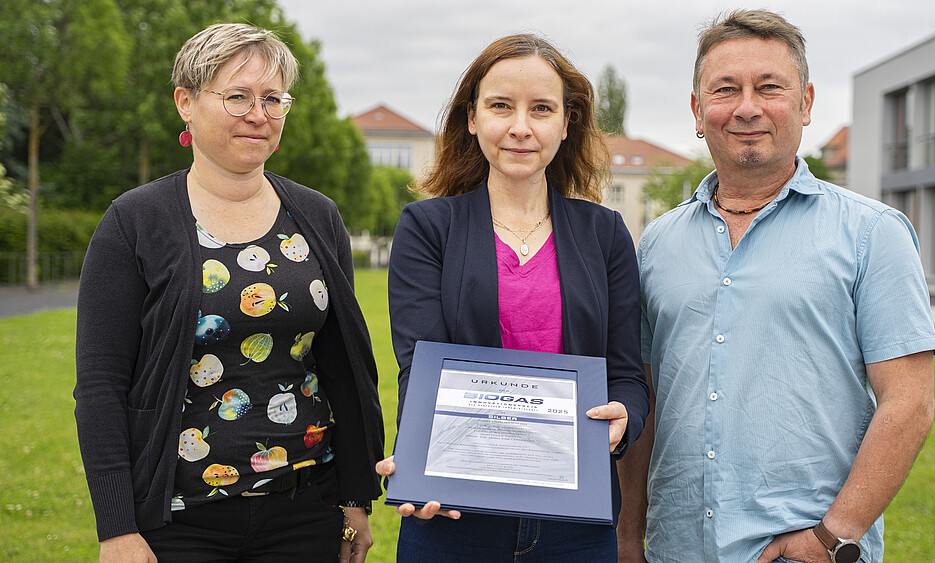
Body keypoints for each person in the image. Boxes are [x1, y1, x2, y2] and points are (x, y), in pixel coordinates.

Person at [616, 10, 935, 563]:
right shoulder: (656, 245)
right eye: (725, 90)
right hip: (677, 549)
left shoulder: (872, 234)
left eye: (769, 87)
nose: (747, 107)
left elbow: (909, 401)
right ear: (698, 110)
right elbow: (643, 399)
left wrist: (833, 536)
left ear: (806, 102)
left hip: (805, 550)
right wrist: (627, 538)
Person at [74, 23, 384, 562]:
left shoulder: (316, 216)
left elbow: (342, 364)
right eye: (237, 96)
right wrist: (117, 528)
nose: (258, 114)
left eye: (272, 98)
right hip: (178, 519)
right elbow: (100, 386)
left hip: (306, 507)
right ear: (186, 103)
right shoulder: (134, 221)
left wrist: (354, 494)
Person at [374, 33, 650, 562]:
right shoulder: (428, 228)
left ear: (567, 123)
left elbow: (628, 377)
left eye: (541, 109)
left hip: (575, 522)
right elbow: (419, 367)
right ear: (472, 118)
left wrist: (624, 418)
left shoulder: (606, 233)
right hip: (454, 516)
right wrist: (417, 460)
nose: (520, 127)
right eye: (501, 106)